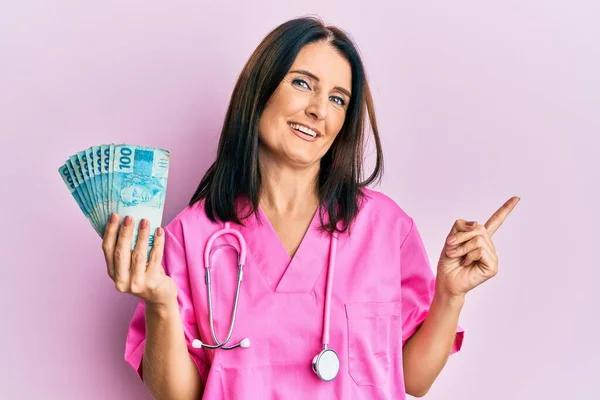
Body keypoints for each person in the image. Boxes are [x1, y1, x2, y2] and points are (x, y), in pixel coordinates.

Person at [101, 16, 519, 400]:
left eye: (339, 99)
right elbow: (178, 394)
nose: (319, 109)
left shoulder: (386, 227)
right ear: (259, 89)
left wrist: (449, 295)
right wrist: (159, 302)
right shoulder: (191, 237)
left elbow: (414, 379)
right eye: (303, 83)